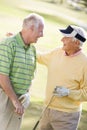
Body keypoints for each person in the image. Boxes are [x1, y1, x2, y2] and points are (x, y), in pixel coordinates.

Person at [37, 25, 87, 130]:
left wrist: (68, 92)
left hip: (67, 116)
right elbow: (40, 57)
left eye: (66, 37)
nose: (61, 39)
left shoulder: (84, 63)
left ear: (76, 42)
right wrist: (21, 43)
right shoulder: (57, 52)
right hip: (47, 109)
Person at [0, 13, 44, 130]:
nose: (42, 35)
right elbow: (2, 76)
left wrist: (25, 96)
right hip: (4, 98)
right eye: (40, 31)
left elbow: (30, 74)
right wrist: (15, 101)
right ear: (31, 29)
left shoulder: (32, 50)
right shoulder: (8, 44)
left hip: (20, 100)